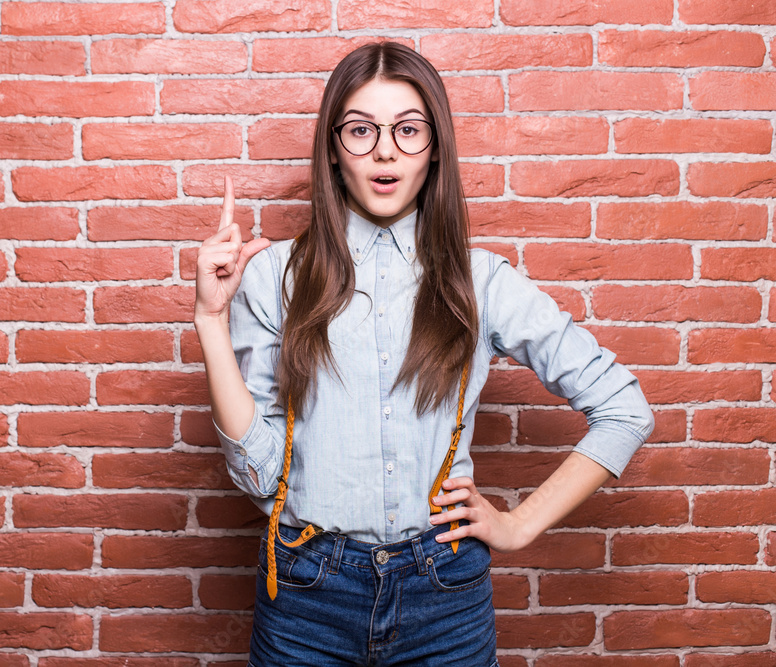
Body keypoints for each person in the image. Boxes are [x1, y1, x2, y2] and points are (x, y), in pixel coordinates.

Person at [193, 42, 654, 666]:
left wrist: (519, 524)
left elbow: (624, 408)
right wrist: (210, 320)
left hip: (445, 597)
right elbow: (260, 478)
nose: (385, 150)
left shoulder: (479, 281)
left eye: (408, 130)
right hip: (306, 594)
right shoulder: (273, 277)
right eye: (361, 130)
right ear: (333, 147)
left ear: (435, 148)